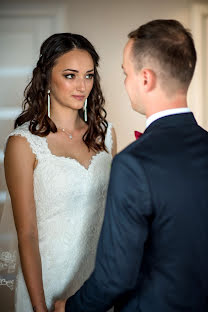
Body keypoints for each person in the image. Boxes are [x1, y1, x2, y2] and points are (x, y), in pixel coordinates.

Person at [54, 19, 208, 312]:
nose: (125, 83)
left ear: (146, 78)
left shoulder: (132, 164)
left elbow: (114, 278)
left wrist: (69, 308)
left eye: (127, 74)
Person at [4, 32, 117, 312]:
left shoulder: (107, 135)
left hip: (96, 284)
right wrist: (40, 307)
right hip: (45, 281)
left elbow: (115, 214)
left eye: (89, 76)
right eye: (70, 75)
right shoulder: (23, 143)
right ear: (46, 79)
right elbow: (26, 233)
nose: (82, 86)